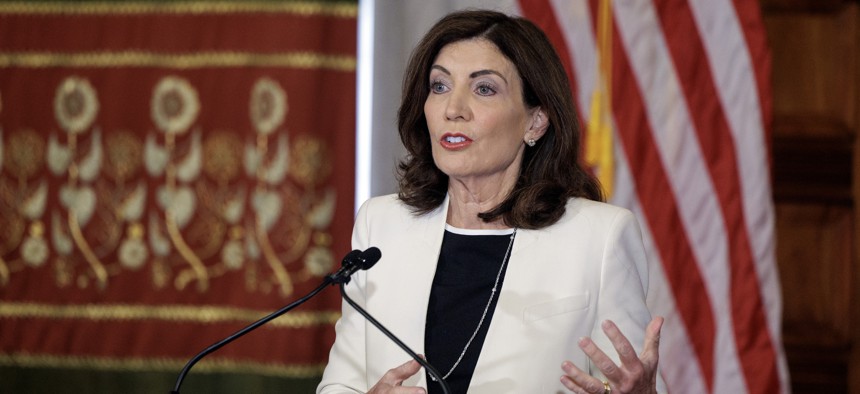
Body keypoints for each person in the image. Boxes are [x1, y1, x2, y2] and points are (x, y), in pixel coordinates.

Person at [318, 9, 665, 394]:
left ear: (535, 121)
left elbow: (630, 380)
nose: (453, 109)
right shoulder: (380, 226)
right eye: (439, 86)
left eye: (484, 89)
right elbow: (338, 385)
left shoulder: (599, 238)